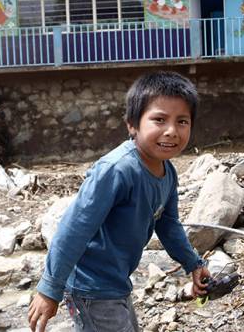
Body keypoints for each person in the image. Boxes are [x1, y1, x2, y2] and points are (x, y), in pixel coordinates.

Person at [28, 71, 210, 332]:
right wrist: (49, 289)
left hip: (116, 281)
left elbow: (168, 226)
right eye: (159, 120)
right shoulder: (117, 170)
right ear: (132, 125)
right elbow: (74, 229)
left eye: (182, 121)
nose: (171, 131)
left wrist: (194, 263)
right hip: (90, 285)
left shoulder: (167, 172)